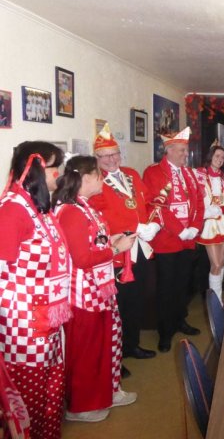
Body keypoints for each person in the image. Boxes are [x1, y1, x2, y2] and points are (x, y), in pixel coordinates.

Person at [54, 156, 138, 423]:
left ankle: (107, 392)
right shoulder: (71, 211)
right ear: (86, 178)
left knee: (107, 343)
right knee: (87, 350)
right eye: (99, 175)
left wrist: (111, 241)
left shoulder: (84, 207)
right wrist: (115, 249)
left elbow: (92, 243)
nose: (103, 180)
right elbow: (81, 259)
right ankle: (81, 406)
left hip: (100, 288)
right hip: (83, 294)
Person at [0, 141, 69, 437]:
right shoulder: (12, 210)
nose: (60, 174)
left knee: (50, 389)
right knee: (28, 396)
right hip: (23, 324)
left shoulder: (38, 208)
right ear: (38, 170)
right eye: (56, 168)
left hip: (46, 315)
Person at [89, 123, 159, 366]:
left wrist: (154, 223)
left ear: (120, 154)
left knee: (138, 299)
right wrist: (131, 227)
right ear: (96, 158)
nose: (111, 160)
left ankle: (132, 345)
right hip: (119, 252)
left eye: (114, 154)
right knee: (119, 305)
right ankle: (116, 358)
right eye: (104, 156)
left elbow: (149, 203)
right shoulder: (95, 182)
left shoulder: (132, 174)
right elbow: (97, 219)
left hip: (141, 248)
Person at [143, 127, 204, 353]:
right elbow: (156, 205)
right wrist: (179, 230)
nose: (186, 154)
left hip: (188, 240)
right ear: (168, 150)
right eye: (181, 150)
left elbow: (199, 201)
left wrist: (195, 226)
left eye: (186, 150)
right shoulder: (153, 172)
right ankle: (165, 330)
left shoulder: (189, 173)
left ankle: (180, 320)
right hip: (167, 241)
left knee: (182, 285)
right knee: (166, 287)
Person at [195, 143, 224, 303]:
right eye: (217, 156)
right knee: (215, 264)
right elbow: (194, 198)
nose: (220, 159)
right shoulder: (199, 174)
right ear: (210, 157)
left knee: (220, 264)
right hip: (209, 222)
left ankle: (218, 299)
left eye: (222, 157)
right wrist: (207, 211)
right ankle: (215, 302)